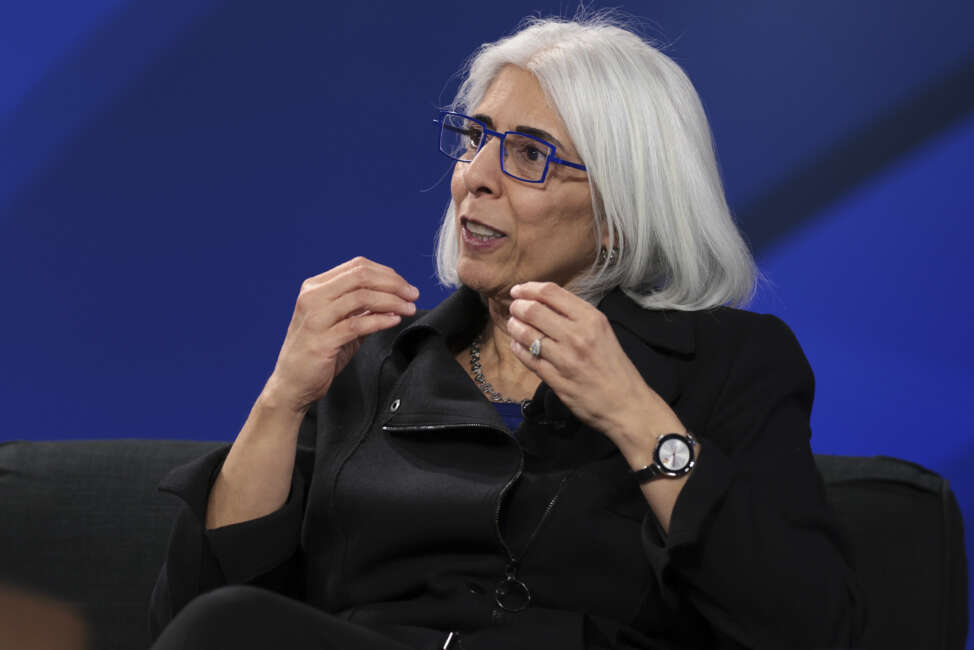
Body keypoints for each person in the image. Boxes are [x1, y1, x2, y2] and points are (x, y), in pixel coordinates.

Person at [148, 14, 865, 650]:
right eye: (476, 139)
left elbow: (806, 625)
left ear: (621, 210)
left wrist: (634, 415)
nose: (475, 178)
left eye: (529, 155)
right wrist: (282, 399)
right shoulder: (376, 360)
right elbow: (201, 611)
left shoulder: (728, 363)